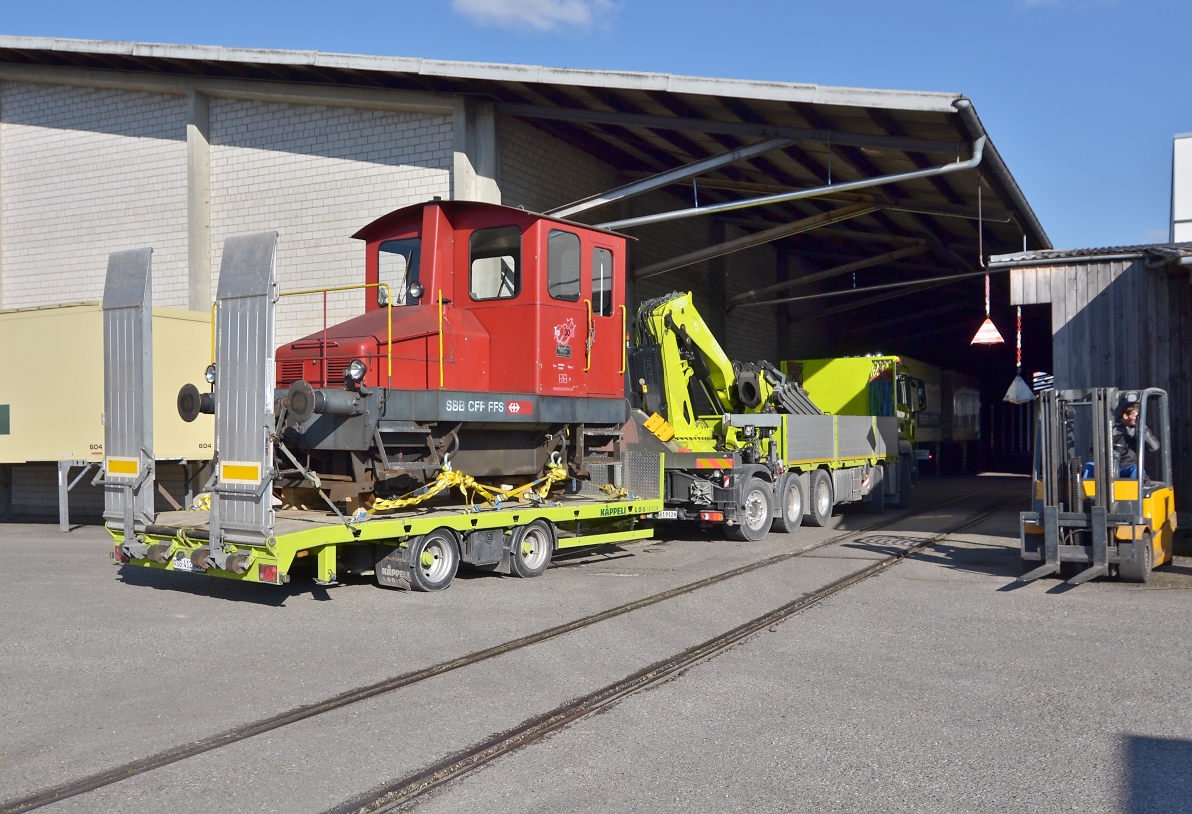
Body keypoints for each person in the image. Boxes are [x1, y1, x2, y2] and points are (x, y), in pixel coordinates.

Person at [1112, 400, 1159, 479]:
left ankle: (1134, 490)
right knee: (1090, 466)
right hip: (1112, 466)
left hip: (1130, 466)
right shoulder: (1112, 430)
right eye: (1136, 416)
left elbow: (1154, 447)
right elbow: (1096, 449)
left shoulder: (1141, 430)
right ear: (1126, 416)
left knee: (1137, 470)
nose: (1138, 419)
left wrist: (1141, 429)